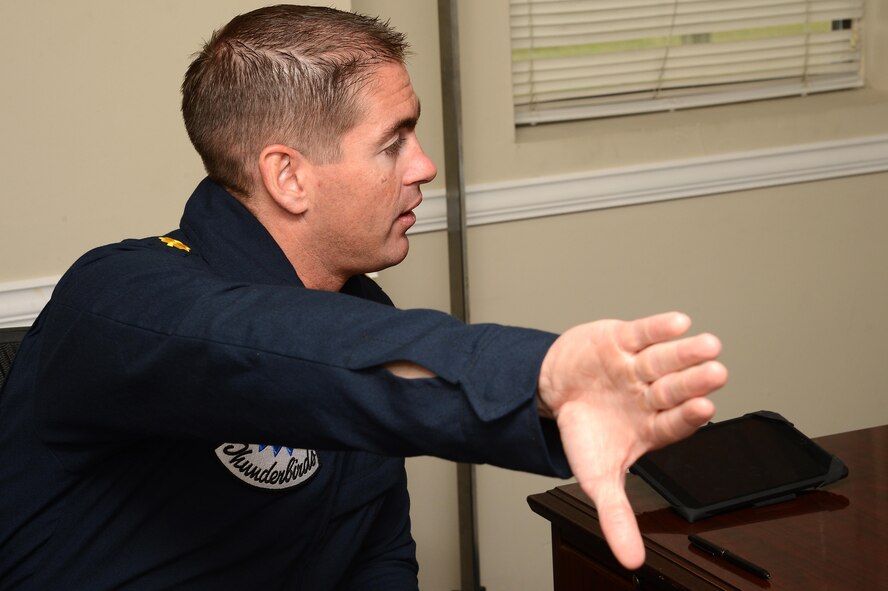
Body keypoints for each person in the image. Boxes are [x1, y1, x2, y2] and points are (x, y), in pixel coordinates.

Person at [0, 5, 727, 590]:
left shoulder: (364, 318)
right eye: (394, 141)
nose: (425, 165)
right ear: (289, 177)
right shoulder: (118, 299)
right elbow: (262, 348)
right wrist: (539, 375)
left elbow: (374, 549)